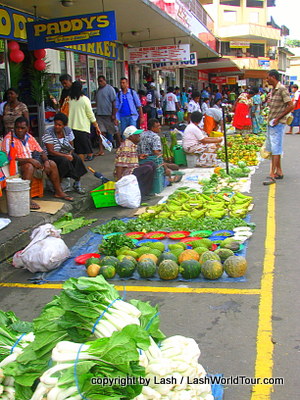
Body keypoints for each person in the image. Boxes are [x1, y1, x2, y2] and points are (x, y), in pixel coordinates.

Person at [2, 117, 74, 209]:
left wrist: (46, 161)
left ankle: (58, 192)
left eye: (22, 128)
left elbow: (41, 151)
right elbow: (9, 159)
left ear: (27, 128)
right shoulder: (9, 139)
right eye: (17, 128)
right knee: (29, 166)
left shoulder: (29, 137)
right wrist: (29, 160)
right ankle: (27, 199)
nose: (19, 130)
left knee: (51, 163)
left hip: (33, 164)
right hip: (17, 166)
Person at [42, 113, 87, 194]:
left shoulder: (68, 130)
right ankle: (58, 186)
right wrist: (66, 156)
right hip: (52, 156)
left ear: (64, 125)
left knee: (77, 158)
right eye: (55, 124)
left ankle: (77, 183)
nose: (57, 127)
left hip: (65, 153)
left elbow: (71, 146)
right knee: (64, 161)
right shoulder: (48, 132)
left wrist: (69, 154)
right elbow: (50, 151)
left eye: (59, 125)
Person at [263, 69, 294, 185]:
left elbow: (291, 105)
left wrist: (278, 118)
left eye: (268, 77)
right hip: (272, 123)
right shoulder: (273, 90)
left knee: (276, 149)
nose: (267, 80)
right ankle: (279, 171)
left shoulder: (282, 89)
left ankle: (272, 174)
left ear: (273, 77)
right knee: (273, 148)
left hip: (278, 123)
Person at [114, 125, 156, 198]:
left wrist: (139, 157)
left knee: (151, 164)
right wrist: (119, 182)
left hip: (132, 170)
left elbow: (128, 159)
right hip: (127, 174)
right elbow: (119, 165)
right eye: (136, 134)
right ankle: (142, 193)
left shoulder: (132, 145)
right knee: (148, 168)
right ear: (131, 137)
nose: (139, 136)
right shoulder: (126, 146)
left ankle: (146, 191)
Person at [137, 118, 181, 182]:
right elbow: (156, 153)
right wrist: (166, 168)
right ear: (152, 128)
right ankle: (169, 180)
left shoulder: (141, 134)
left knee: (174, 166)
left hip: (141, 160)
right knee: (174, 168)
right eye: (157, 126)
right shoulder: (155, 137)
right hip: (152, 161)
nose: (160, 127)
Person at [68, 81, 101, 162]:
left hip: (70, 128)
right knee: (81, 151)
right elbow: (90, 114)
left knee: (73, 150)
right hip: (82, 128)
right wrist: (96, 126)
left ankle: (75, 168)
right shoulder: (85, 99)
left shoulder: (68, 99)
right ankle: (80, 168)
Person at [95, 75, 117, 155]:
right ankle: (101, 150)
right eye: (98, 81)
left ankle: (119, 147)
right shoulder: (98, 91)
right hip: (100, 115)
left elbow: (114, 102)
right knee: (101, 133)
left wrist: (113, 114)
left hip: (108, 114)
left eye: (101, 81)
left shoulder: (110, 89)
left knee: (115, 131)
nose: (100, 83)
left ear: (105, 81)